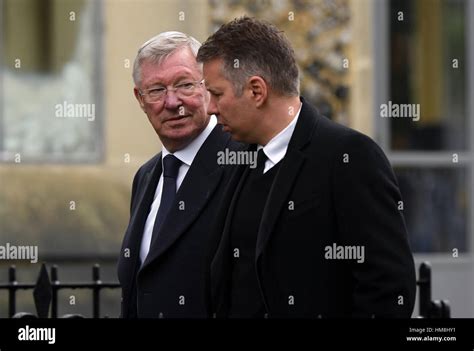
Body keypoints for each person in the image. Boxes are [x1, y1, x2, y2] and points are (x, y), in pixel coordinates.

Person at [197, 17, 416, 318]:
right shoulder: (239, 157)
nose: (209, 107)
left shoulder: (348, 156)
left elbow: (388, 288)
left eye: (217, 94)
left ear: (256, 91)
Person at [117, 31, 241, 318]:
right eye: (157, 90)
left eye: (185, 85)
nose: (172, 102)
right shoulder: (147, 176)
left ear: (207, 87)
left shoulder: (243, 163)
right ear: (140, 98)